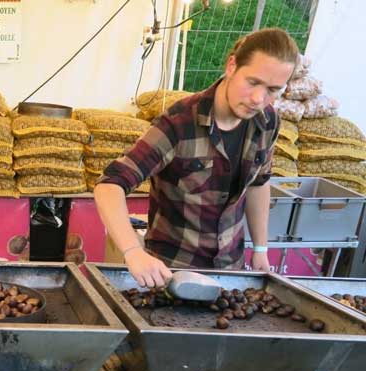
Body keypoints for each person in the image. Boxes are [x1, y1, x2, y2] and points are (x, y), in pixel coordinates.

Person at [94, 28, 298, 288]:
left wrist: (260, 248)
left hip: (230, 271)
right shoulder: (179, 123)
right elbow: (110, 184)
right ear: (232, 66)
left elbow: (259, 182)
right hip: (172, 274)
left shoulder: (267, 121)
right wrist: (133, 251)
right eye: (253, 82)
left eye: (272, 89)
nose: (259, 98)